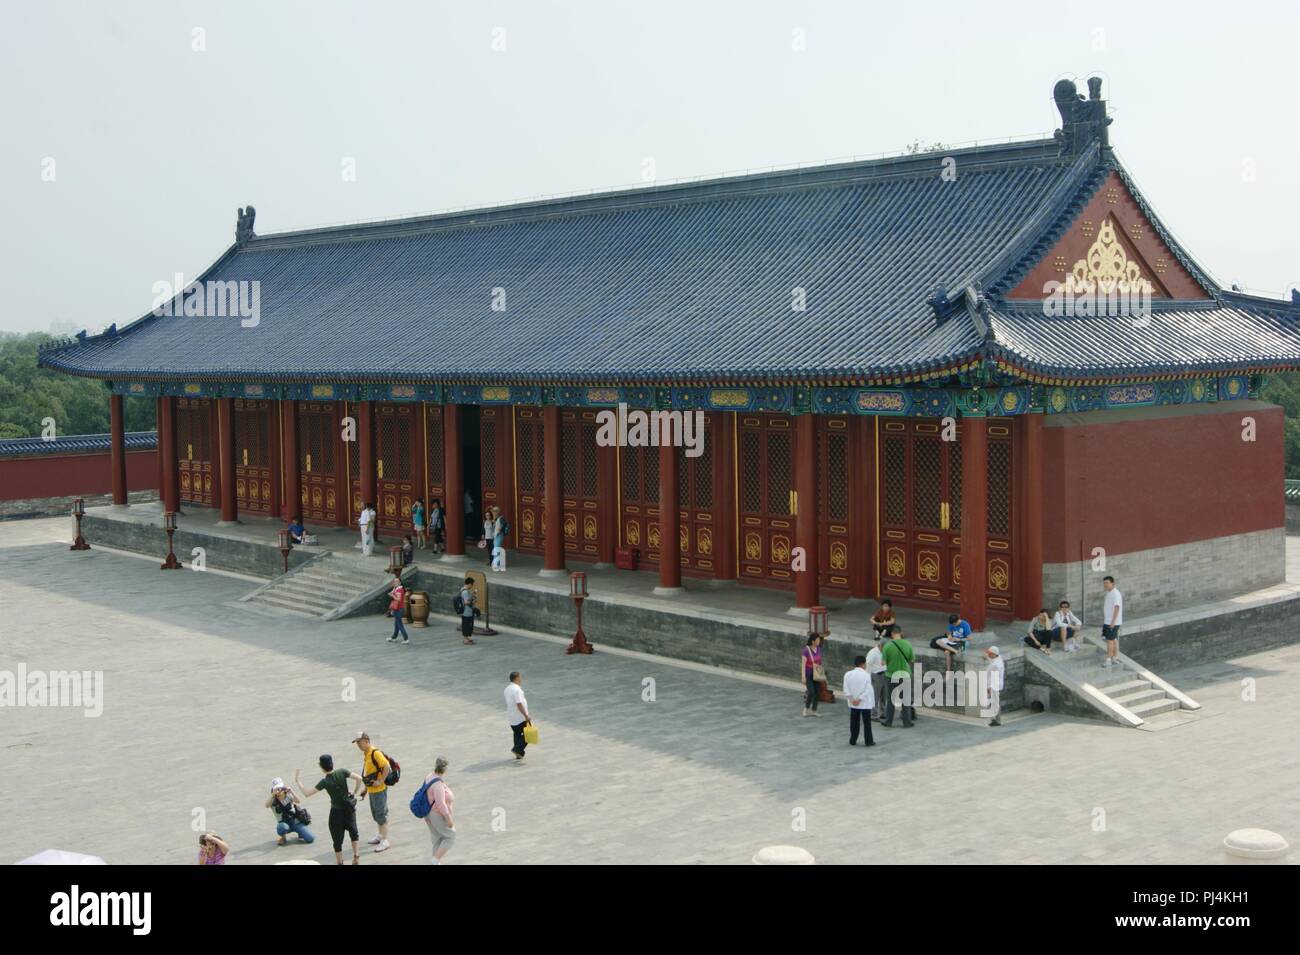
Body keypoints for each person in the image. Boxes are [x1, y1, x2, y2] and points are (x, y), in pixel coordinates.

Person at [297, 756, 365, 865]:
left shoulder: (325, 782)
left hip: (336, 813)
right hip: (349, 809)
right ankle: (356, 856)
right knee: (354, 833)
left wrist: (298, 781)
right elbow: (359, 778)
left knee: (337, 840)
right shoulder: (342, 772)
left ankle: (339, 862)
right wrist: (354, 792)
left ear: (321, 767)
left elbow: (307, 793)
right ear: (332, 763)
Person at [354, 731, 394, 853]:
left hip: (379, 790)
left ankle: (385, 841)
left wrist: (381, 781)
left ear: (366, 741)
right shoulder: (366, 754)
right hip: (372, 790)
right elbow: (369, 773)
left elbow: (387, 766)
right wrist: (366, 789)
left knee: (381, 814)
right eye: (357, 743)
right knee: (376, 814)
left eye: (360, 742)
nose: (358, 745)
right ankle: (380, 835)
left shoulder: (375, 753)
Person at [418, 757, 456, 864]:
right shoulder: (437, 784)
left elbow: (424, 794)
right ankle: (434, 861)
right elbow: (440, 804)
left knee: (438, 839)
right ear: (445, 769)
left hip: (429, 813)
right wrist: (448, 819)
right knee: (450, 836)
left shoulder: (429, 776)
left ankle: (436, 862)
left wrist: (426, 816)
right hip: (437, 815)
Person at [881, 625, 916, 728]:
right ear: (901, 633)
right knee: (905, 700)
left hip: (891, 675)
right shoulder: (908, 644)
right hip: (905, 674)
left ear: (892, 634)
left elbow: (883, 663)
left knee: (890, 700)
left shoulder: (887, 646)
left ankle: (888, 721)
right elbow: (912, 659)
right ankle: (907, 722)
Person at [266, 777, 314, 845]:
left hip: (295, 822)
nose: (279, 790)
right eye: (277, 789)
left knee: (310, 838)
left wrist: (291, 791)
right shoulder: (273, 801)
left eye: (281, 788)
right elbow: (266, 805)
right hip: (284, 823)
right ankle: (283, 837)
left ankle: (300, 832)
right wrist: (272, 795)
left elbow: (298, 801)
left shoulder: (288, 795)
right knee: (282, 827)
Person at [842, 655, 876, 747]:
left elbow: (846, 689)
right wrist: (860, 699)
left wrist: (852, 699)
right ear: (863, 664)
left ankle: (853, 740)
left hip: (853, 703)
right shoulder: (866, 675)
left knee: (854, 722)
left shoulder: (848, 674)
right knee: (867, 723)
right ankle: (868, 741)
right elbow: (867, 690)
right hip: (864, 703)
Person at [505, 671, 532, 761]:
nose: (521, 679)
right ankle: (517, 749)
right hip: (519, 717)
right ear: (516, 678)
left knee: (517, 734)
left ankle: (518, 754)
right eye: (520, 677)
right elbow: (519, 704)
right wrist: (526, 715)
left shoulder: (507, 689)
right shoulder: (517, 690)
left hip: (511, 717)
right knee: (528, 733)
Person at [800, 633, 825, 718]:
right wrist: (803, 677)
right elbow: (803, 664)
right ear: (812, 641)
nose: (819, 641)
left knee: (817, 692)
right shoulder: (806, 650)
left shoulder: (818, 649)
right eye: (817, 640)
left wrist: (822, 673)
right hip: (809, 674)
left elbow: (819, 662)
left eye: (819, 640)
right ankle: (806, 709)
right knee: (811, 692)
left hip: (817, 674)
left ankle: (814, 710)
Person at [1101, 576, 1123, 667]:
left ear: (1112, 583)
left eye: (1107, 583)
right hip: (1108, 621)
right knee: (1114, 639)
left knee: (1110, 640)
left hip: (1112, 622)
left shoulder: (1115, 593)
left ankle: (1109, 659)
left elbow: (1117, 607)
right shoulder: (1109, 593)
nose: (1105, 585)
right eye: (1104, 583)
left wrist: (1113, 622)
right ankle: (1115, 658)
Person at [866, 637, 888, 720]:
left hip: (885, 675)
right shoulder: (873, 653)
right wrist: (868, 679)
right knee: (875, 696)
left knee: (884, 695)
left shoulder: (885, 652)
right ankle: (873, 714)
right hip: (876, 676)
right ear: (881, 646)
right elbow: (868, 665)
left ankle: (883, 712)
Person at [984, 646, 1005, 726]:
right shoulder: (998, 659)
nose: (988, 654)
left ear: (993, 654)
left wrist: (989, 688)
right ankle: (995, 720)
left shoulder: (996, 665)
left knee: (993, 703)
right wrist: (987, 658)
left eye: (989, 653)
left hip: (993, 686)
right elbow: (992, 661)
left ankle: (995, 720)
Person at [387, 574, 410, 645]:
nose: (395, 583)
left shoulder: (399, 590)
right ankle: (394, 637)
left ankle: (406, 639)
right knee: (396, 624)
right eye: (394, 581)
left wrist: (393, 595)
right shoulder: (397, 588)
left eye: (397, 582)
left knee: (399, 624)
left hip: (399, 609)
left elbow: (399, 599)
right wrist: (393, 591)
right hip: (397, 608)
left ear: (400, 582)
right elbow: (390, 593)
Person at [458, 577, 477, 645]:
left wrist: (472, 596)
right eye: (472, 584)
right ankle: (465, 640)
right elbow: (466, 602)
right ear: (469, 584)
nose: (472, 586)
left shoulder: (463, 590)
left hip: (466, 612)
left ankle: (467, 638)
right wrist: (473, 601)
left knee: (467, 625)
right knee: (466, 625)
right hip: (467, 612)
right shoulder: (465, 592)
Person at [490, 507, 507, 572]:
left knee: (497, 549)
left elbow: (501, 527)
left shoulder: (501, 518)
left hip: (499, 535)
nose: (493, 512)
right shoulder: (496, 519)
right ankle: (497, 563)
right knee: (496, 549)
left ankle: (496, 564)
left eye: (494, 511)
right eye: (493, 511)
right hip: (495, 536)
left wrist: (498, 529)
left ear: (497, 512)